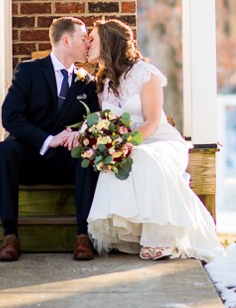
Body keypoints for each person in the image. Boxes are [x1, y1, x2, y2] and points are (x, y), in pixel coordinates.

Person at [74, 18, 223, 262]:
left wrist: (125, 144)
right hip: (129, 143)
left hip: (159, 141)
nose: (88, 44)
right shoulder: (105, 82)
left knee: (141, 157)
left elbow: (152, 121)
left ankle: (161, 239)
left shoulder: (145, 73)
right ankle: (134, 233)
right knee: (117, 162)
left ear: (109, 42)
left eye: (93, 39)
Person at [0, 16, 101, 261]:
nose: (87, 44)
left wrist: (80, 133)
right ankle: (10, 235)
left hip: (66, 160)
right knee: (2, 152)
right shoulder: (29, 71)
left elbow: (94, 119)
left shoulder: (87, 82)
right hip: (31, 155)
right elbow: (10, 117)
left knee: (88, 155)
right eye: (83, 38)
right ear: (65, 39)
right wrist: (47, 139)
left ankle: (83, 236)